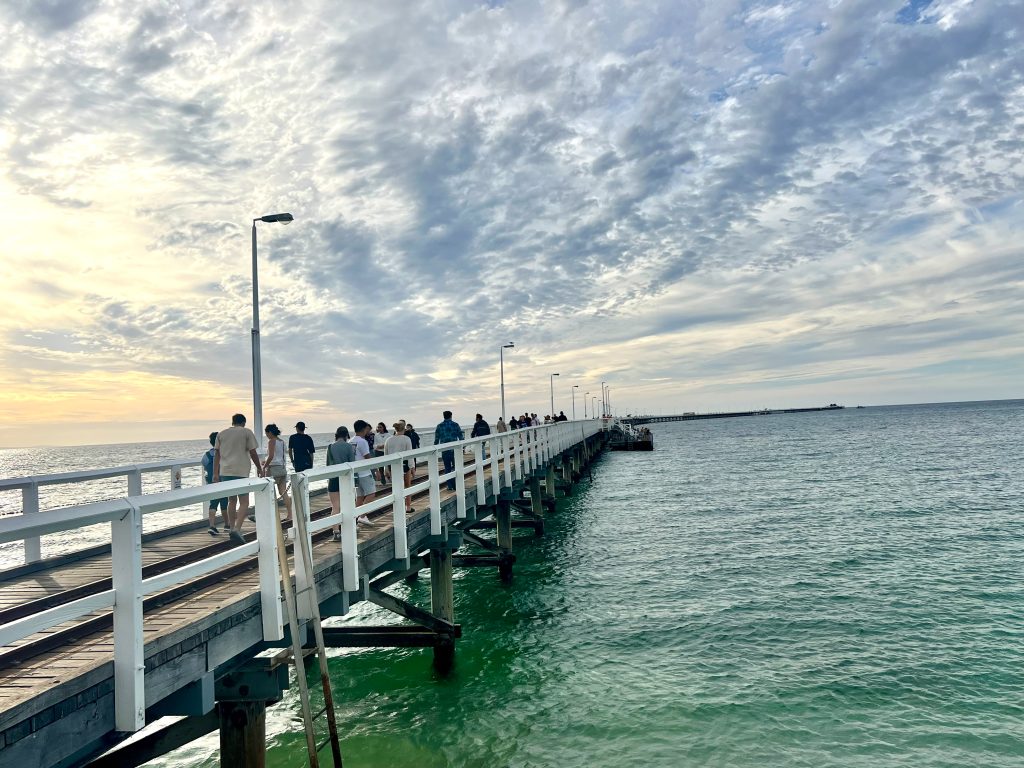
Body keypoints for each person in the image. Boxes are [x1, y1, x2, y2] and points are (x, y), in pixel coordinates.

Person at [213, 413, 262, 544]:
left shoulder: (221, 434)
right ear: (244, 422)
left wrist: (215, 473)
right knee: (244, 501)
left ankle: (230, 526)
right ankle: (237, 528)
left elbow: (216, 454)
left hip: (225, 471)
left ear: (232, 422)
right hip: (241, 471)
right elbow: (253, 452)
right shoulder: (246, 432)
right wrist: (259, 467)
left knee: (231, 500)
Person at [326, 426, 355, 542]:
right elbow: (352, 463)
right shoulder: (349, 447)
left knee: (335, 506)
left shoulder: (330, 447)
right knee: (347, 504)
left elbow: (328, 465)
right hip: (345, 478)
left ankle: (336, 532)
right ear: (346, 435)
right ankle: (348, 528)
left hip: (333, 478)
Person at [262, 424, 293, 523]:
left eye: (266, 433)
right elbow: (280, 456)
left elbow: (271, 456)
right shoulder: (282, 442)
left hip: (273, 469)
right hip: (282, 468)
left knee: (269, 492)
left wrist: (264, 465)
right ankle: (290, 514)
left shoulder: (271, 441)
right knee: (283, 492)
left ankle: (273, 516)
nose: (266, 435)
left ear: (270, 432)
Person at [384, 421, 415, 513]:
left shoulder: (389, 440)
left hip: (393, 465)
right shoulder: (406, 439)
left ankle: (397, 507)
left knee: (396, 487)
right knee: (407, 486)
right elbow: (409, 455)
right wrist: (412, 467)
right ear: (404, 429)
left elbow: (386, 455)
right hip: (405, 465)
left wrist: (386, 469)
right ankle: (408, 507)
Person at [349, 420, 375, 523]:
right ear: (364, 429)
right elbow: (367, 456)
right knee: (371, 493)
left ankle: (356, 517)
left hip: (356, 473)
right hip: (365, 472)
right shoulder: (362, 441)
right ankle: (363, 516)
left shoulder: (351, 441)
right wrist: (375, 468)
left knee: (359, 496)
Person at [201, 432, 227, 535]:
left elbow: (204, 464)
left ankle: (212, 525)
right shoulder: (224, 453)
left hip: (211, 482)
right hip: (223, 481)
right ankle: (227, 524)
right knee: (225, 503)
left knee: (213, 504)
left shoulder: (207, 455)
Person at [433, 410, 464, 491]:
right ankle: (457, 484)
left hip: (445, 450)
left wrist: (434, 449)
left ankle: (449, 486)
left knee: (447, 467)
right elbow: (461, 437)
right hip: (455, 450)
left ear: (443, 416)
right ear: (451, 416)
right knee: (456, 466)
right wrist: (463, 447)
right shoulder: (455, 425)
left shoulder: (439, 426)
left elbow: (436, 439)